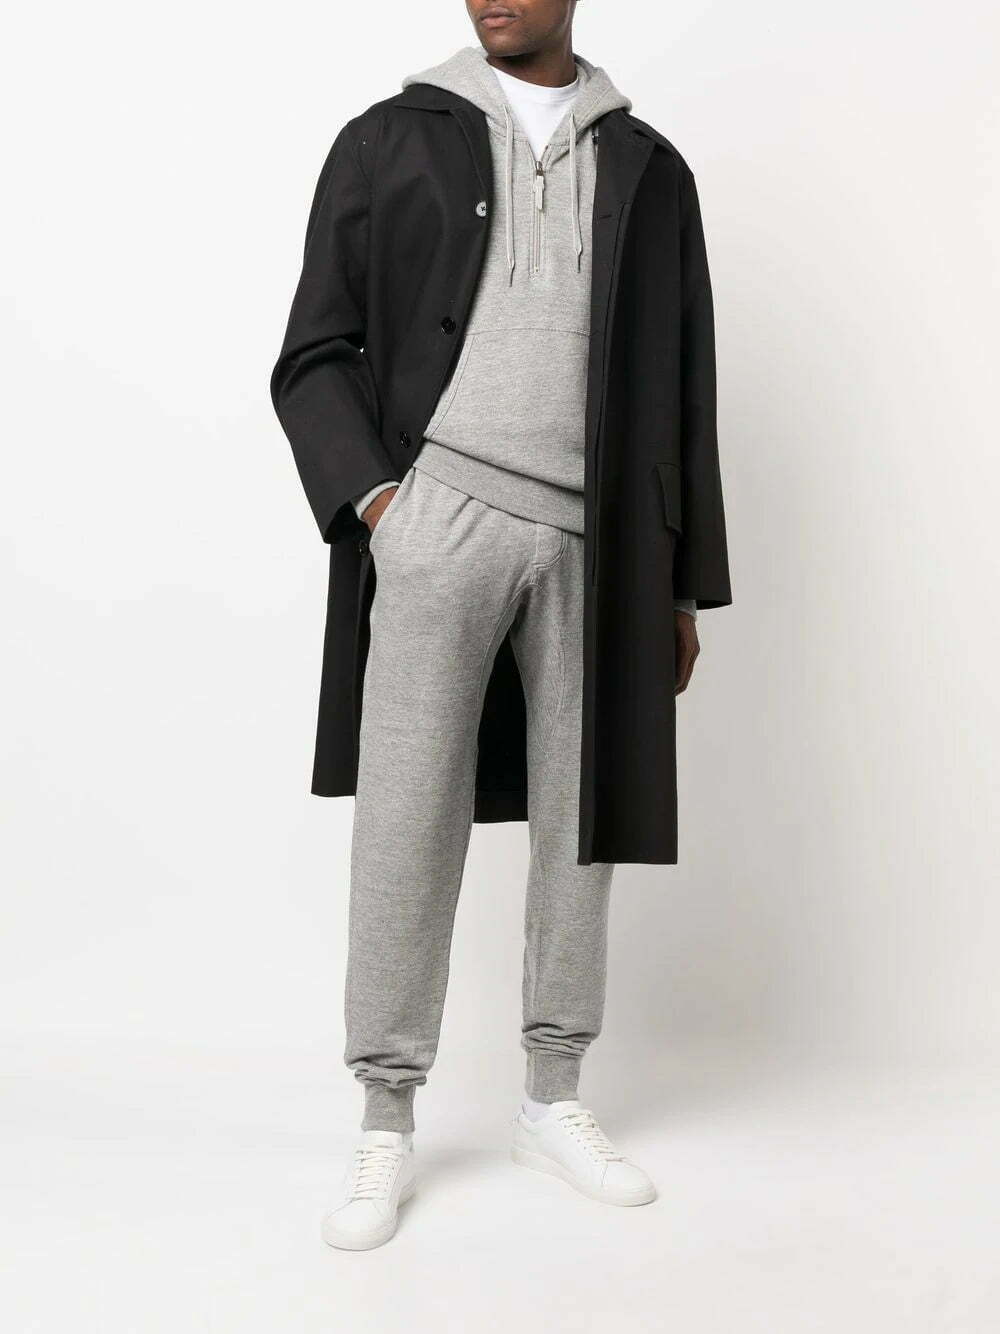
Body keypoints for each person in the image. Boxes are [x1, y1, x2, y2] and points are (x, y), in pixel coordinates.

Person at [271, 0, 730, 1251]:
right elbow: (314, 350)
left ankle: (553, 1094)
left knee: (583, 824)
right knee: (405, 814)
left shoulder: (648, 167)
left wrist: (679, 583)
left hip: (602, 542)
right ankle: (385, 1112)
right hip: (441, 519)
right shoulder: (388, 140)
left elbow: (685, 381)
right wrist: (384, 506)